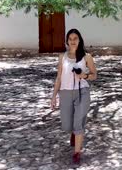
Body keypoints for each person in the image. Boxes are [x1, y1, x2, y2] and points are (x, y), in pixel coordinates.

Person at [50, 28, 97, 165]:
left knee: (78, 122)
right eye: (70, 39)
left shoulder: (86, 56)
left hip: (82, 91)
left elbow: (94, 75)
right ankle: (73, 133)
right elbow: (58, 78)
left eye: (75, 38)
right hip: (65, 92)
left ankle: (77, 153)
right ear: (67, 41)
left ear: (80, 40)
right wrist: (54, 96)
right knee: (66, 124)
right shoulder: (62, 57)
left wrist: (84, 75)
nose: (73, 41)